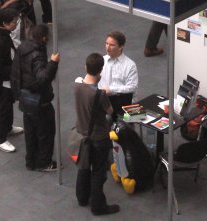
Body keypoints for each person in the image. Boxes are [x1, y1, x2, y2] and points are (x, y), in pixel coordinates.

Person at [74, 53, 120, 215]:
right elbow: (110, 111)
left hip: (82, 135)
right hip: (99, 137)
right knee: (99, 172)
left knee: (84, 167)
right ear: (101, 70)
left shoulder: (77, 86)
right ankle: (98, 206)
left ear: (86, 67)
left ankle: (82, 197)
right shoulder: (99, 95)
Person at [11, 24, 60, 171]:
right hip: (39, 100)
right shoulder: (37, 55)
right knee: (46, 132)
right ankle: (44, 162)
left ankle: (30, 160)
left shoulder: (23, 47)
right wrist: (53, 63)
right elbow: (42, 78)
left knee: (30, 131)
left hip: (25, 97)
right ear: (43, 38)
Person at [0, 7, 23, 153]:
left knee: (7, 104)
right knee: (1, 107)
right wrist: (16, 71)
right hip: (2, 81)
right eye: (14, 22)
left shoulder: (2, 34)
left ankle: (7, 127)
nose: (16, 24)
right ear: (5, 23)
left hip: (7, 78)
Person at [98, 31, 138, 121]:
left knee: (126, 130)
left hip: (126, 104)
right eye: (106, 43)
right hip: (106, 101)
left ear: (121, 47)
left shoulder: (130, 65)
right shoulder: (102, 60)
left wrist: (112, 89)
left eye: (112, 45)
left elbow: (132, 87)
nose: (108, 47)